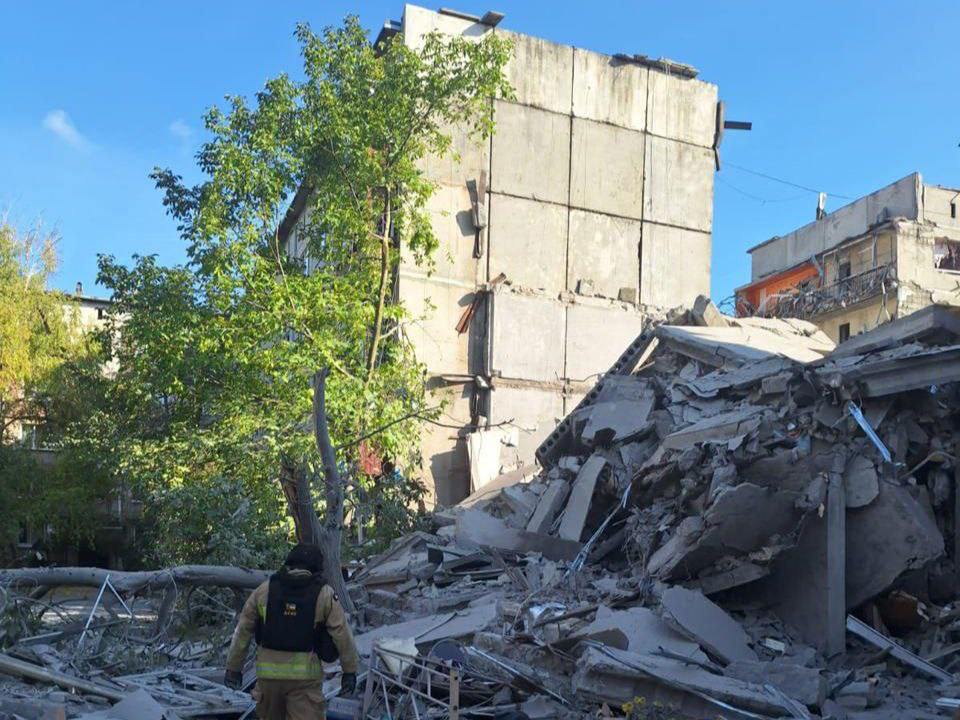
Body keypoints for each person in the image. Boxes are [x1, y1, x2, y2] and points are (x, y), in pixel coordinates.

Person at [224, 544, 359, 719]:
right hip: (305, 682)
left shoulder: (264, 590)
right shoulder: (325, 594)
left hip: (268, 679)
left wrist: (233, 669)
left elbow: (243, 630)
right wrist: (350, 671)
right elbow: (342, 634)